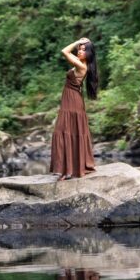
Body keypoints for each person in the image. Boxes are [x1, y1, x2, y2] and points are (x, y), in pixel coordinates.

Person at [50, 36, 98, 180]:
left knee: (64, 131)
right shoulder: (83, 64)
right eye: (79, 50)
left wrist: (78, 42)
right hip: (72, 99)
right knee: (68, 131)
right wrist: (81, 43)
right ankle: (68, 170)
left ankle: (68, 171)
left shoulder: (82, 66)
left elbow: (64, 51)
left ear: (89, 53)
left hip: (72, 101)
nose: (80, 52)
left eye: (83, 50)